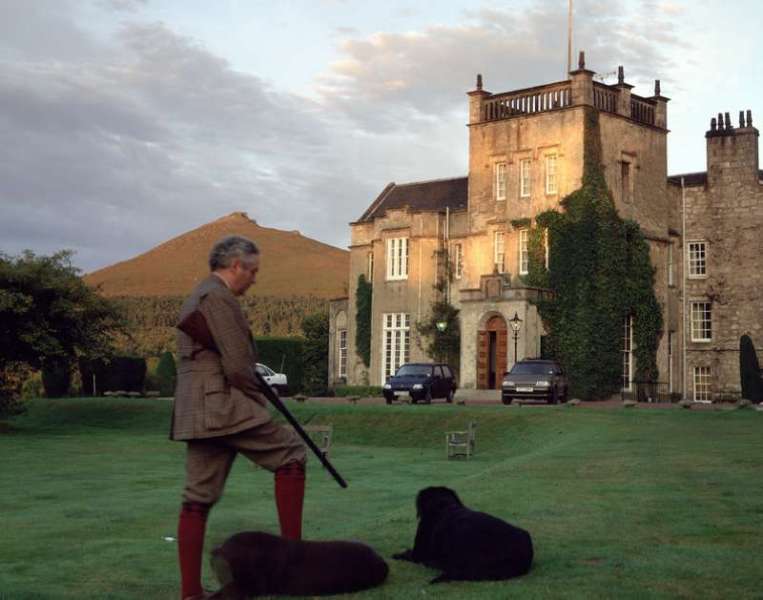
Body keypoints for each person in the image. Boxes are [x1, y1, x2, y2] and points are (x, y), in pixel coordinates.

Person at [171, 235, 306, 600]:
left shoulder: (198, 294)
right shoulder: (218, 297)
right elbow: (238, 366)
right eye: (253, 270)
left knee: (197, 497)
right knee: (292, 453)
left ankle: (189, 594)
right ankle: (292, 567)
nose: (255, 278)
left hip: (197, 413)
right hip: (222, 405)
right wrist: (260, 401)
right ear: (236, 266)